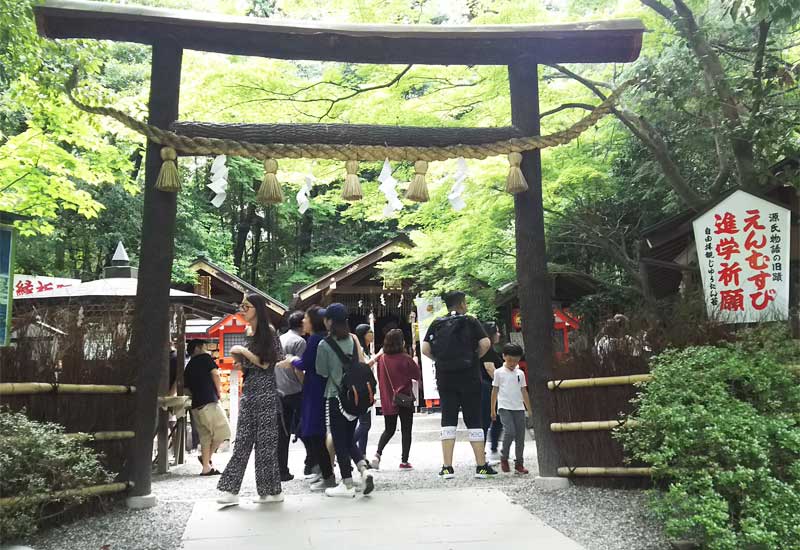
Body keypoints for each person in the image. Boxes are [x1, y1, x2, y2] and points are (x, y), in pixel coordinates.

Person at [216, 293, 297, 506]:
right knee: (242, 441)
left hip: (266, 393)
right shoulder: (248, 331)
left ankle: (271, 490)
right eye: (242, 306)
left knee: (265, 445)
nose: (243, 310)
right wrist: (240, 360)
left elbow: (267, 363)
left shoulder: (268, 331)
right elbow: (254, 365)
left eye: (247, 306)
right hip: (250, 391)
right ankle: (230, 490)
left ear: (257, 309)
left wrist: (243, 351)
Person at [422, 291, 498, 479]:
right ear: (462, 304)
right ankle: (481, 466)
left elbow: (424, 349)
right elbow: (486, 343)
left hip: (445, 377)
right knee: (474, 420)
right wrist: (474, 358)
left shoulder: (437, 323)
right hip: (469, 377)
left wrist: (440, 360)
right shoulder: (471, 321)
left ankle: (447, 467)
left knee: (448, 419)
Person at [315, 303, 375, 498]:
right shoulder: (353, 340)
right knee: (348, 438)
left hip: (335, 397)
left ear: (329, 321)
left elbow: (321, 371)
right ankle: (365, 471)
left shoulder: (324, 344)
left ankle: (347, 484)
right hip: (355, 397)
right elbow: (360, 361)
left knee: (340, 441)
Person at [292, 306, 337, 490]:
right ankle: (322, 472)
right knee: (311, 432)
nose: (303, 321)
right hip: (316, 389)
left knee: (314, 433)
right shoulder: (319, 339)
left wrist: (292, 360)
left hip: (315, 391)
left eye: (306, 318)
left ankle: (327, 475)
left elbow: (306, 363)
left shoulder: (315, 340)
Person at [370, 329, 420, 470]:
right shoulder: (405, 358)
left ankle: (377, 454)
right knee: (406, 431)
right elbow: (416, 375)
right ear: (401, 342)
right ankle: (404, 461)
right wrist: (415, 362)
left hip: (388, 400)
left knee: (389, 430)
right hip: (404, 399)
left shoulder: (382, 359)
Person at [184, 339, 231, 476]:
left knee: (205, 437)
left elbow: (186, 389)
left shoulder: (188, 366)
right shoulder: (205, 358)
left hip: (196, 406)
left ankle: (206, 467)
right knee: (224, 432)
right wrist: (219, 393)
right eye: (204, 346)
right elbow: (215, 374)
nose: (207, 348)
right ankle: (207, 458)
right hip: (209, 401)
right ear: (198, 348)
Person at [490, 343, 531, 475]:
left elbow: (524, 391)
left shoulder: (520, 373)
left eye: (516, 360)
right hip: (504, 407)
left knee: (520, 436)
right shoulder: (498, 373)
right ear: (504, 357)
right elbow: (494, 391)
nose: (513, 363)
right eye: (510, 360)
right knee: (510, 432)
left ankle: (519, 463)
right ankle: (504, 456)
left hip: (518, 407)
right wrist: (492, 409)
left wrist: (529, 409)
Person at [277, 310, 307, 482]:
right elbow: (298, 368)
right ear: (301, 324)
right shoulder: (299, 341)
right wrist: (306, 386)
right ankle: (312, 462)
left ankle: (282, 470)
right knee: (307, 426)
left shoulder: (280, 339)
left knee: (283, 432)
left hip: (279, 389)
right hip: (295, 390)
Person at [479, 322, 503, 462]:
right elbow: (489, 368)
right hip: (488, 387)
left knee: (494, 418)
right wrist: (501, 383)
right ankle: (483, 450)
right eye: (497, 332)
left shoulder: (489, 349)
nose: (499, 334)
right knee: (487, 419)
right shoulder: (487, 349)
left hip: (489, 387)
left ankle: (492, 447)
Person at [352, 324, 374, 458]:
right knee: (365, 424)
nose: (372, 334)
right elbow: (364, 367)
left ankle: (362, 454)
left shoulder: (365, 349)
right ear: (363, 335)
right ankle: (347, 445)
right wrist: (378, 356)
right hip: (361, 389)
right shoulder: (358, 349)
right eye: (369, 332)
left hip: (367, 389)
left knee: (365, 424)